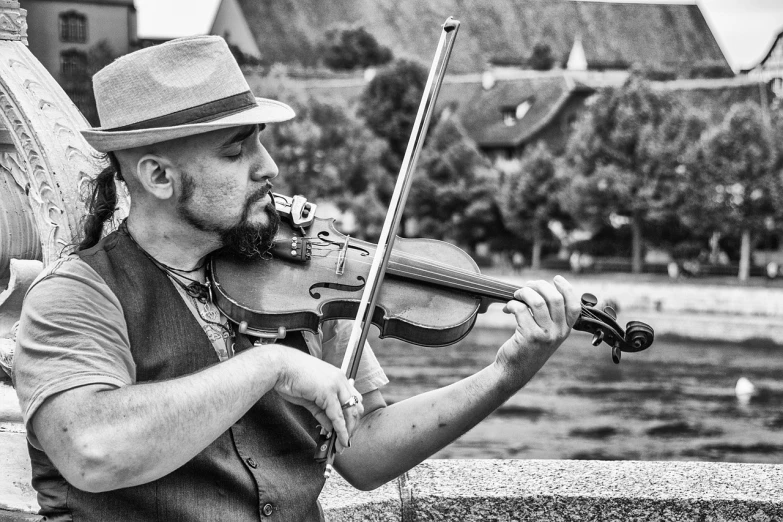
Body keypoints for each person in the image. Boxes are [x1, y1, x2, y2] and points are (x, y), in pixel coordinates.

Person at [13, 36, 581, 521]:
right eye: (238, 151)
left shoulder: (297, 274)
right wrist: (270, 366)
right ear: (158, 176)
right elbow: (91, 450)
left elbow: (364, 450)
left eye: (261, 141)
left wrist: (507, 373)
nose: (269, 167)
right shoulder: (77, 296)